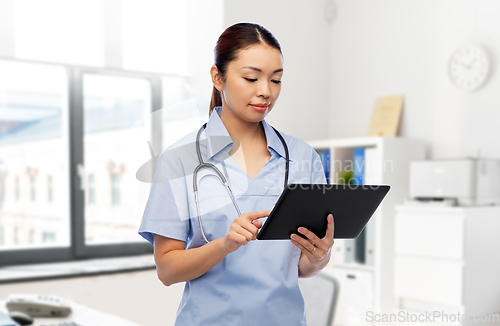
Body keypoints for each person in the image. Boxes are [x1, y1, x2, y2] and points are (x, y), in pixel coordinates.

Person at [139, 22, 334, 326]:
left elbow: (301, 267)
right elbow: (167, 270)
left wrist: (320, 255)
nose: (265, 91)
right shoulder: (178, 161)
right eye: (251, 78)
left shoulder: (302, 157)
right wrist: (224, 244)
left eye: (276, 80)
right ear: (218, 77)